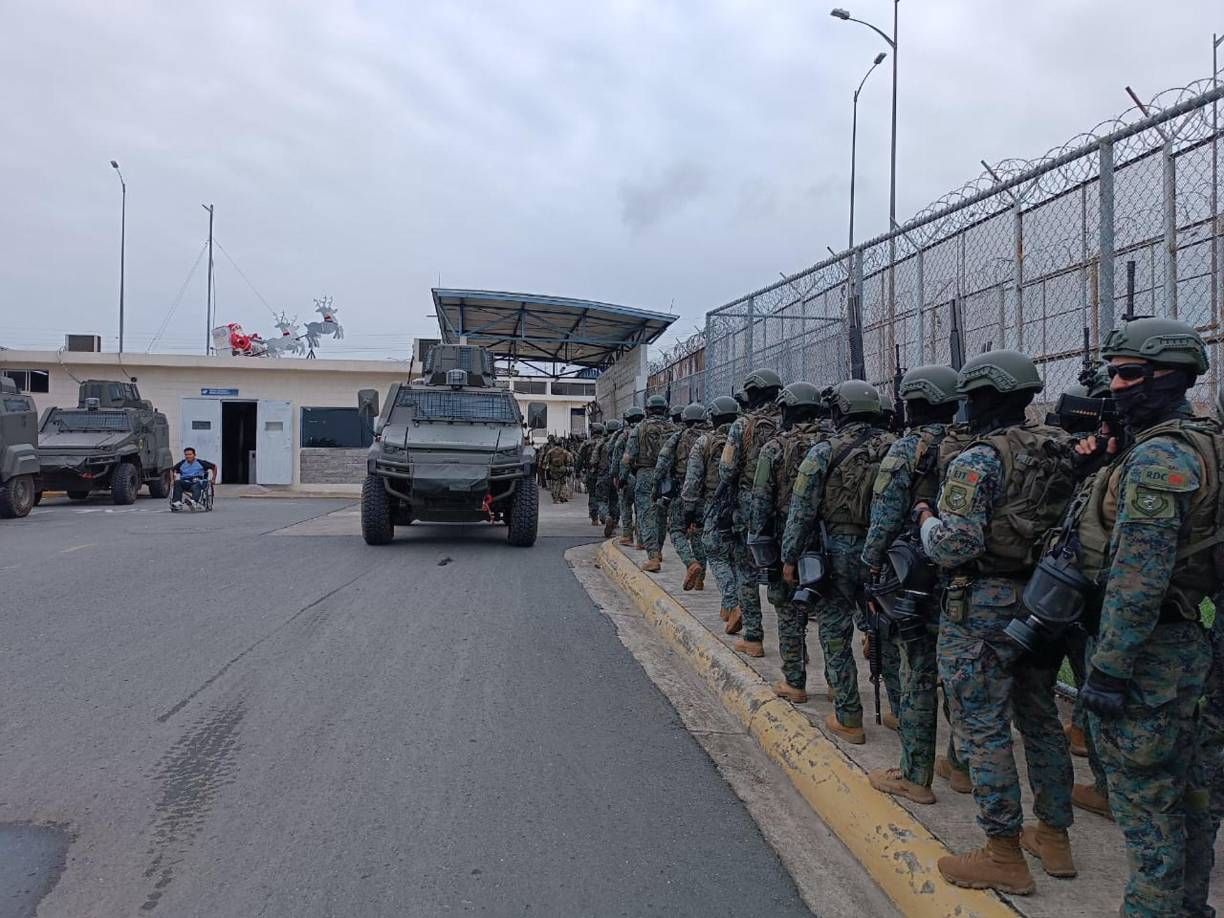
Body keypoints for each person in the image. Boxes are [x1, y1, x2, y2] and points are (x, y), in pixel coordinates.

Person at [915, 349, 1078, 895]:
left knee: (983, 726)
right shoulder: (1059, 448)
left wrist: (926, 519)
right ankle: (1054, 836)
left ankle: (1003, 852)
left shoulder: (977, 460)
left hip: (983, 601)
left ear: (984, 396)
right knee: (1040, 717)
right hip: (1045, 600)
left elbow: (954, 545)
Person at [1070, 318, 1217, 916]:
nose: (1117, 385)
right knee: (1192, 802)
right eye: (1113, 374)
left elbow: (1140, 576)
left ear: (1171, 377)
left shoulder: (1160, 457)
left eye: (1130, 374)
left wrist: (1108, 668)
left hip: (1149, 655)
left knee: (1150, 811)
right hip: (1188, 648)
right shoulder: (1205, 439)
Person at [860, 364, 971, 803]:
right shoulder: (975, 444)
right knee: (960, 675)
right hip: (971, 578)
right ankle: (960, 766)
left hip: (917, 574)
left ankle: (915, 775)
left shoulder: (908, 449)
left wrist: (870, 567)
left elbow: (885, 514)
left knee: (918, 671)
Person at [781, 380, 898, 743]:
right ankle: (900, 710)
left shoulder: (822, 453)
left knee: (834, 631)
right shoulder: (898, 449)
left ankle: (848, 715)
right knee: (884, 632)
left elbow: (801, 511)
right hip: (887, 554)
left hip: (836, 550)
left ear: (840, 411)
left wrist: (789, 557)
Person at [748, 381, 829, 703]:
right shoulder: (832, 443)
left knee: (786, 608)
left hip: (786, 532)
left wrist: (760, 541)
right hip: (830, 537)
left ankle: (795, 681)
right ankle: (839, 685)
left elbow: (761, 498)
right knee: (830, 611)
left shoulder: (775, 448)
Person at [718, 369, 784, 657]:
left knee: (746, 571)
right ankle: (796, 645)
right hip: (787, 507)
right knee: (784, 574)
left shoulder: (742, 425)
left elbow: (727, 469)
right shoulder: (791, 422)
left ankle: (754, 638)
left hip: (748, 506)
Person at [682, 397, 742, 623]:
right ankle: (730, 606)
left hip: (714, 503)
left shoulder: (704, 442)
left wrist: (689, 508)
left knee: (715, 553)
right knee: (737, 556)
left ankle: (732, 603)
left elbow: (693, 479)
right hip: (743, 504)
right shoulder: (746, 438)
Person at [653, 403, 709, 589]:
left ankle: (690, 563)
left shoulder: (678, 438)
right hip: (707, 494)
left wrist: (656, 488)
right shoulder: (713, 437)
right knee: (699, 533)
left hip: (682, 493)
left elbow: (662, 463)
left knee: (677, 531)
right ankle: (701, 578)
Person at [624, 395, 674, 571]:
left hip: (645, 474)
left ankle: (652, 557)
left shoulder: (639, 428)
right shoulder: (674, 429)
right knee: (662, 514)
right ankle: (659, 550)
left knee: (646, 516)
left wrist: (623, 476)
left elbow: (629, 455)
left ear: (648, 410)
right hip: (668, 476)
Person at [612, 406, 645, 546]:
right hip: (645, 475)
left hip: (628, 475)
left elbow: (617, 456)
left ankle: (627, 535)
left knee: (625, 505)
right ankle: (642, 539)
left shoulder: (624, 435)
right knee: (642, 508)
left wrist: (616, 476)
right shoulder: (647, 431)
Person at [594, 419, 623, 536]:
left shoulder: (602, 443)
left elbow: (594, 460)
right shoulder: (622, 442)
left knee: (601, 500)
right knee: (615, 500)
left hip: (604, 475)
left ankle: (606, 518)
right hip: (618, 475)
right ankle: (615, 522)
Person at [577, 423, 605, 525]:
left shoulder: (586, 443)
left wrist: (577, 471)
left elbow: (579, 459)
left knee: (593, 495)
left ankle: (594, 518)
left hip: (591, 472)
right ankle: (606, 515)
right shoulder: (606, 442)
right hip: (605, 473)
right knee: (606, 496)